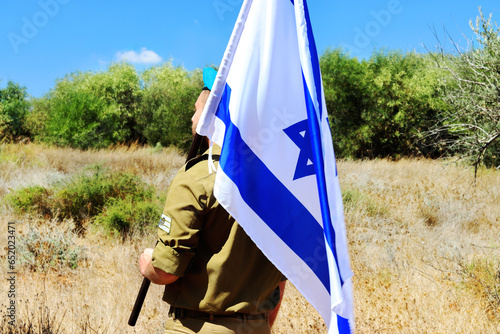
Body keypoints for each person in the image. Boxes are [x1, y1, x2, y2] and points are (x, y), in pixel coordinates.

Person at [139, 68, 286, 334]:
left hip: (196, 327)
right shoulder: (277, 184)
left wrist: (147, 262)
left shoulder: (195, 179)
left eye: (197, 111)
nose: (192, 117)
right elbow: (280, 278)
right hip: (258, 326)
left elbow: (165, 271)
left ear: (212, 117)